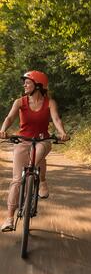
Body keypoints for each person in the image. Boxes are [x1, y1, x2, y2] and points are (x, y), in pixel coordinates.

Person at [0, 70, 69, 232]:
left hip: (43, 140)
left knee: (36, 156)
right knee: (16, 180)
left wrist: (62, 132)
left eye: (28, 82)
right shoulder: (20, 102)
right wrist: (3, 130)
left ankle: (42, 181)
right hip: (23, 141)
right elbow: (9, 118)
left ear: (38, 85)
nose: (24, 84)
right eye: (24, 82)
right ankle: (9, 218)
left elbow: (56, 119)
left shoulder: (49, 103)